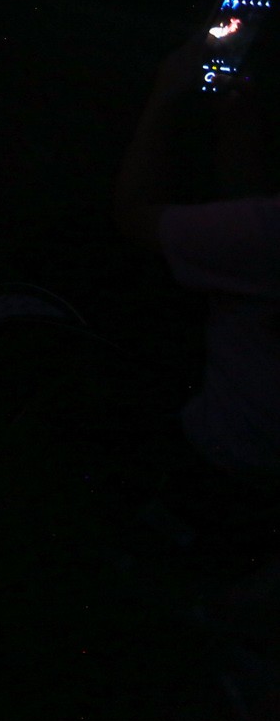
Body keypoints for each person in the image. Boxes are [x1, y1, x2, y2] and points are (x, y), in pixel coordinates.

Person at [116, 32, 280, 490]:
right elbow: (245, 232)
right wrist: (237, 128)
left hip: (222, 455)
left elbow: (135, 220)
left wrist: (163, 98)